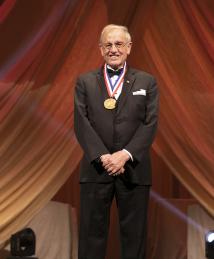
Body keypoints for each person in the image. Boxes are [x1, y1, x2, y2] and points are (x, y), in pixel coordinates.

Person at [74, 24, 159, 259]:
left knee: (134, 239)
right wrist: (104, 157)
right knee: (91, 238)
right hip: (95, 169)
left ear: (129, 47)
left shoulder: (147, 82)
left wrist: (124, 155)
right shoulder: (85, 82)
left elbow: (149, 124)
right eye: (108, 45)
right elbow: (81, 123)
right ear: (101, 49)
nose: (113, 49)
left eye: (119, 44)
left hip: (133, 169)